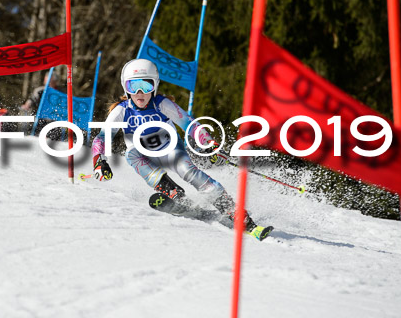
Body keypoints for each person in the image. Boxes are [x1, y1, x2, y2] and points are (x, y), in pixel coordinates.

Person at [90, 59, 273, 241]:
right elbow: (101, 138)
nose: (140, 93)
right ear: (125, 87)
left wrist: (209, 144)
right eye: (133, 86)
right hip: (141, 153)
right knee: (133, 156)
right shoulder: (121, 111)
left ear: (154, 86)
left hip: (169, 148)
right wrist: (99, 162)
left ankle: (236, 214)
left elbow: (190, 124)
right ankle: (173, 192)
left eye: (146, 86)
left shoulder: (162, 104)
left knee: (189, 172)